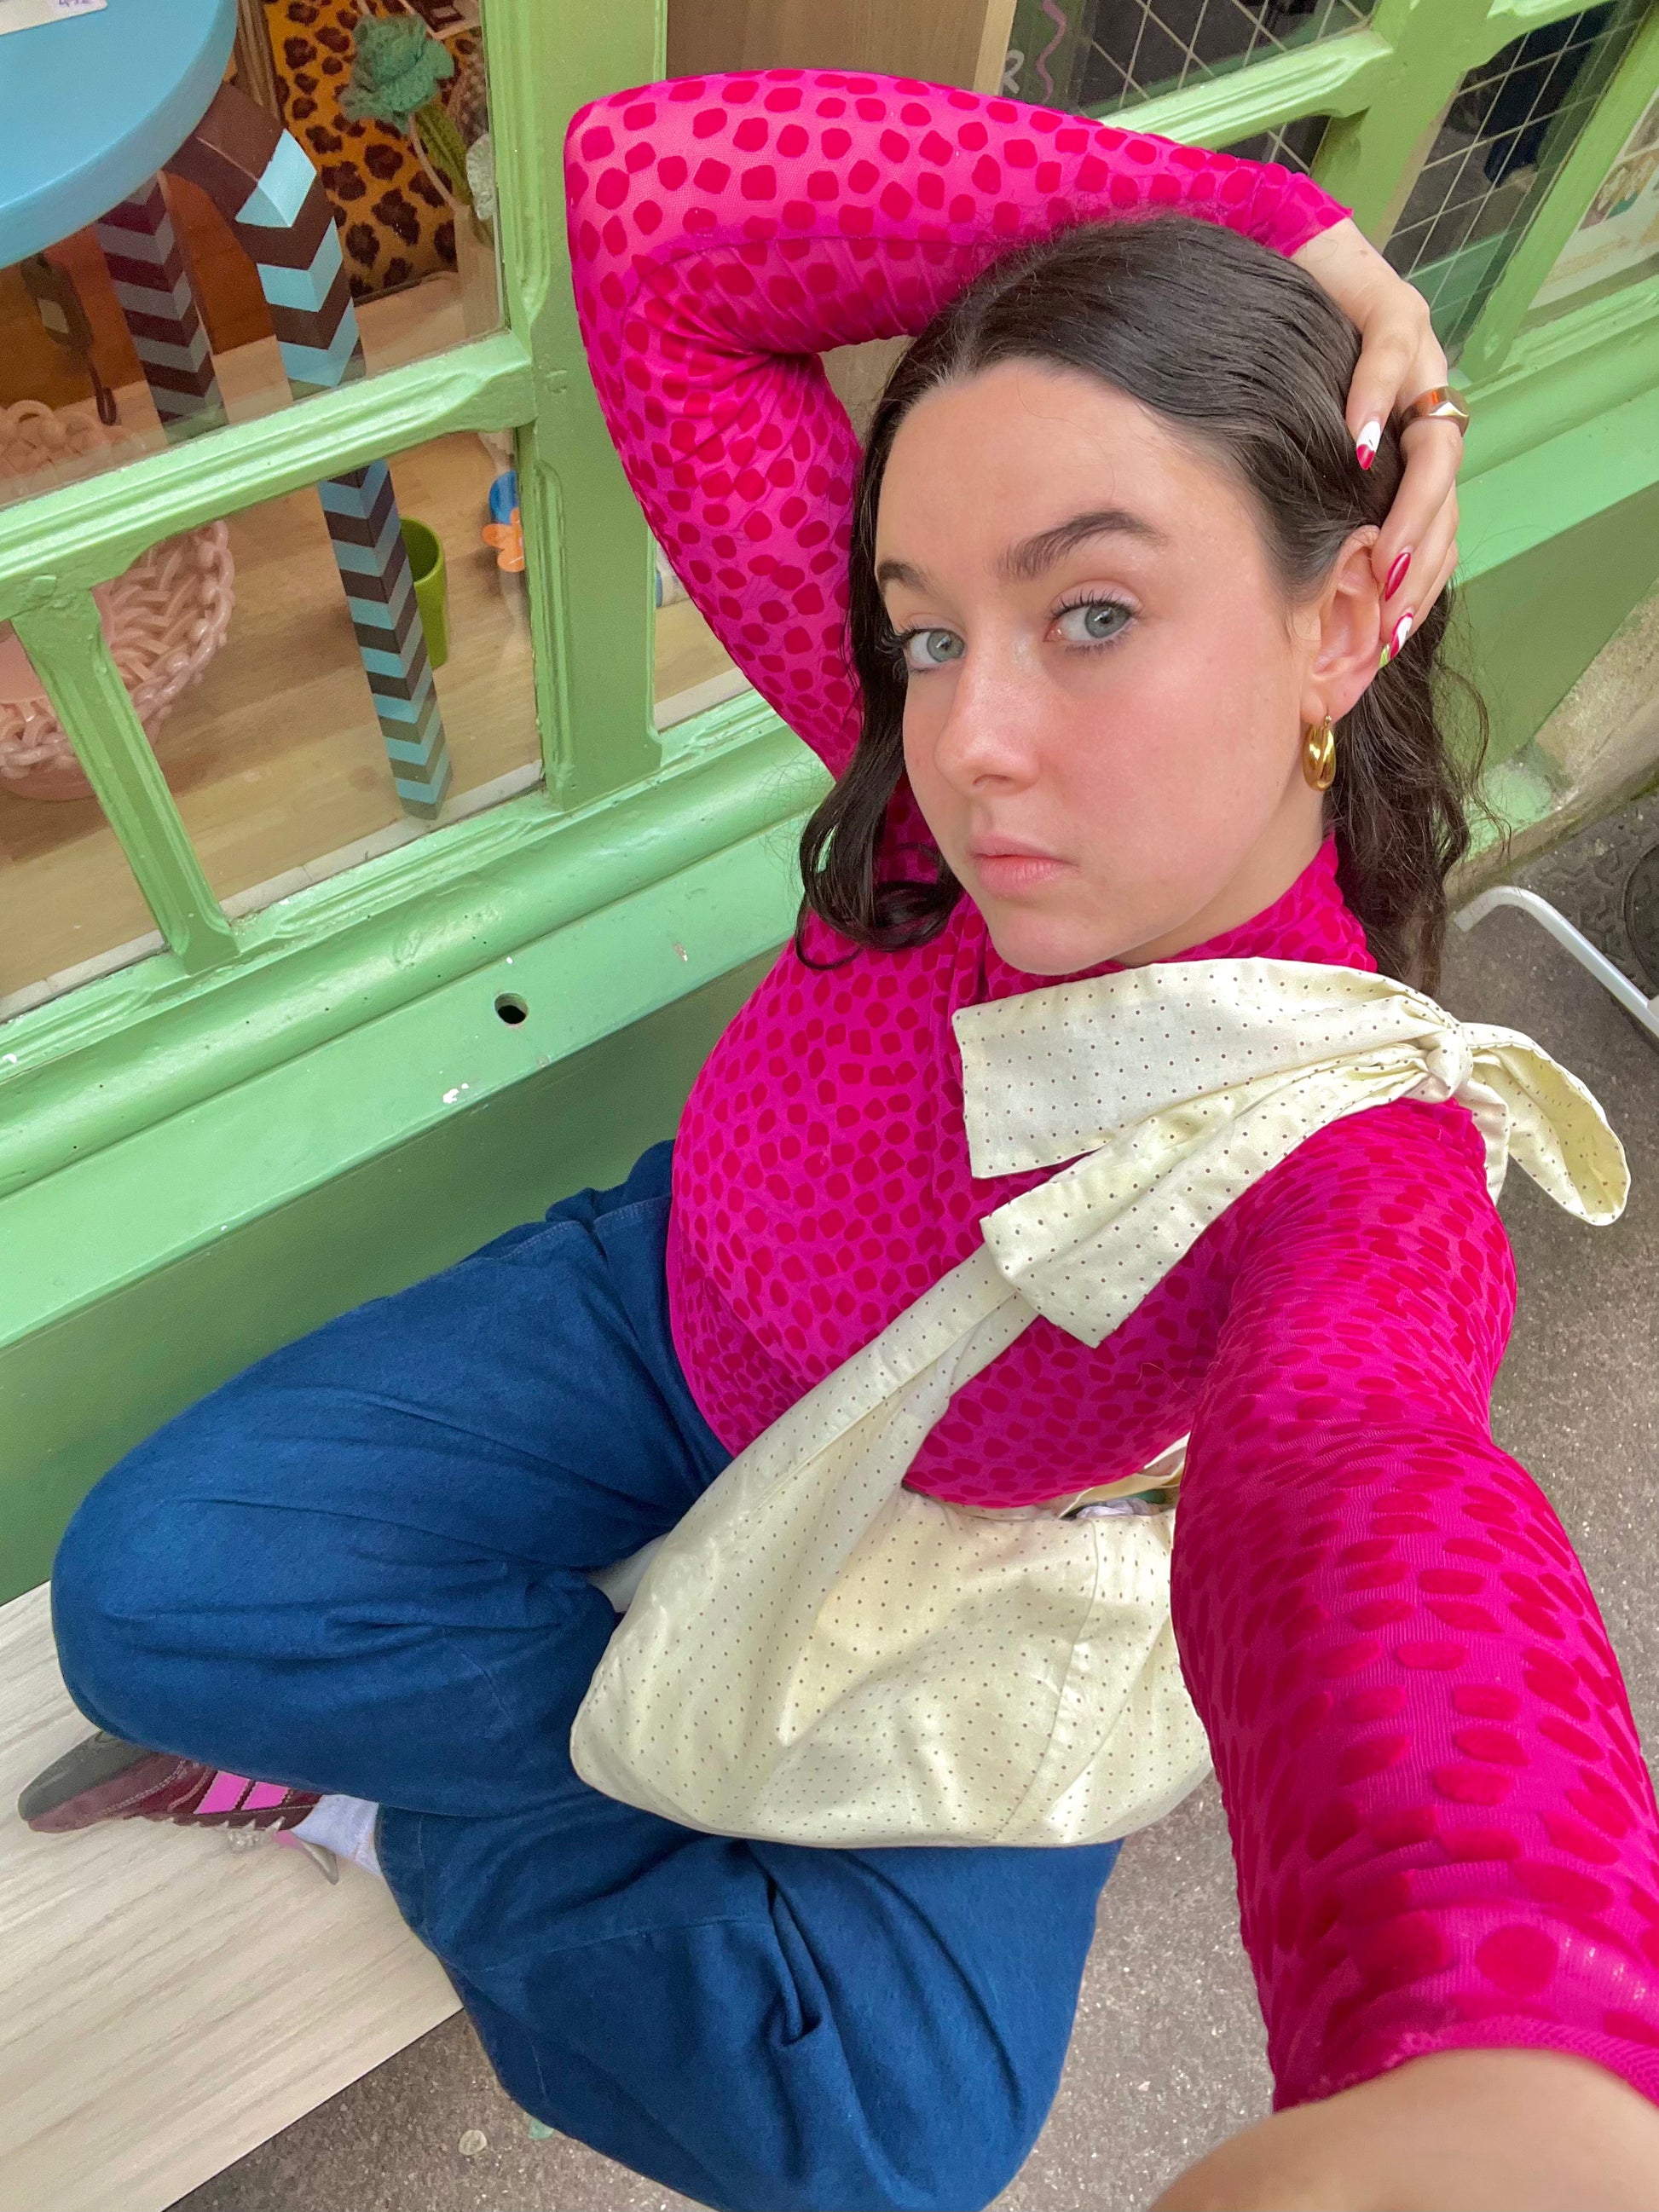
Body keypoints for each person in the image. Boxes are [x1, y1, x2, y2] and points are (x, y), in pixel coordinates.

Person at [20, 69, 1659, 2212]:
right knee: (147, 1593)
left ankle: (422, 1779)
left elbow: (1366, 1475)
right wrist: (1279, 224)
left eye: (1094, 612)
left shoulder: (1351, 1147)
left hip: (954, 1542)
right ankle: (597, 1760)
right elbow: (649, 201)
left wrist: (1512, 2028)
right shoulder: (918, 790)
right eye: (925, 626)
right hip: (661, 1318)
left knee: (880, 2145)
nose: (968, 738)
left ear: (1341, 621)